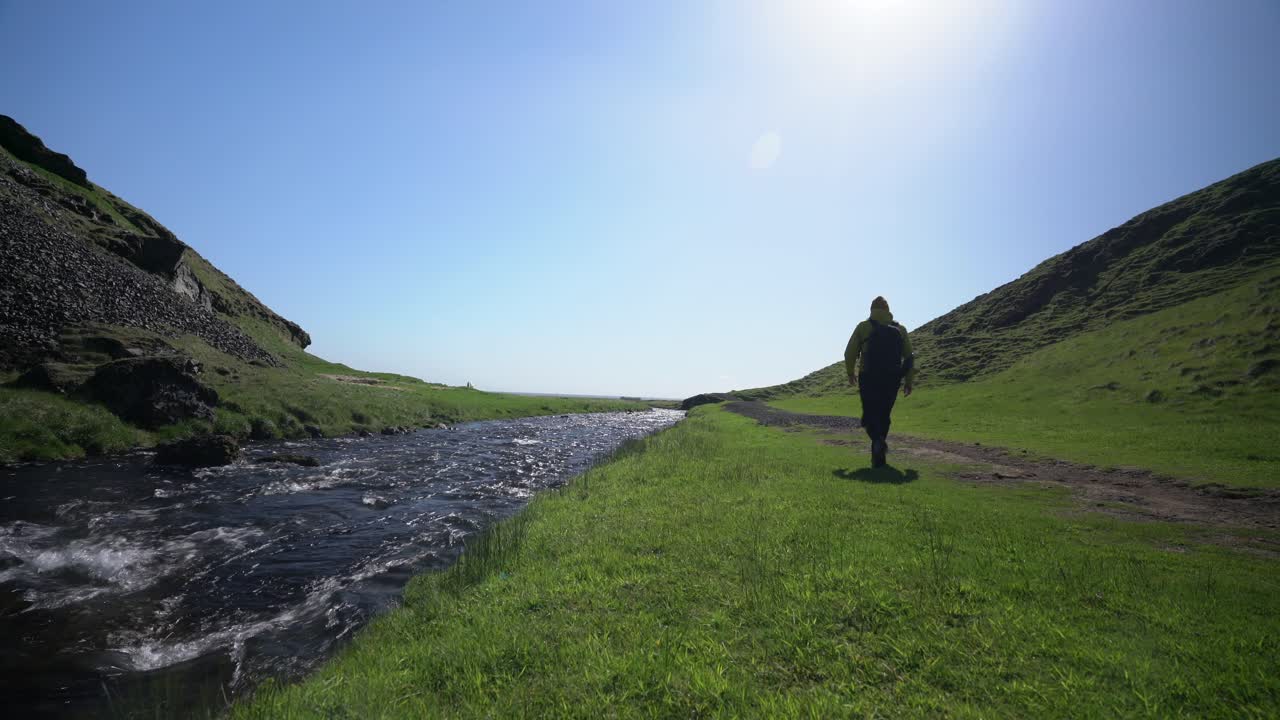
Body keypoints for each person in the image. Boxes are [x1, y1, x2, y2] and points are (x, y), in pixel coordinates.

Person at [844, 296, 916, 467]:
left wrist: (850, 373)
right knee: (884, 414)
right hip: (892, 378)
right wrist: (908, 382)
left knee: (869, 414)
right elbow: (909, 357)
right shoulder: (901, 329)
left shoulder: (863, 327)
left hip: (868, 377)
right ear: (888, 310)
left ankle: (877, 440)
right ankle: (880, 446)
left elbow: (849, 353)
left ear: (871, 310)